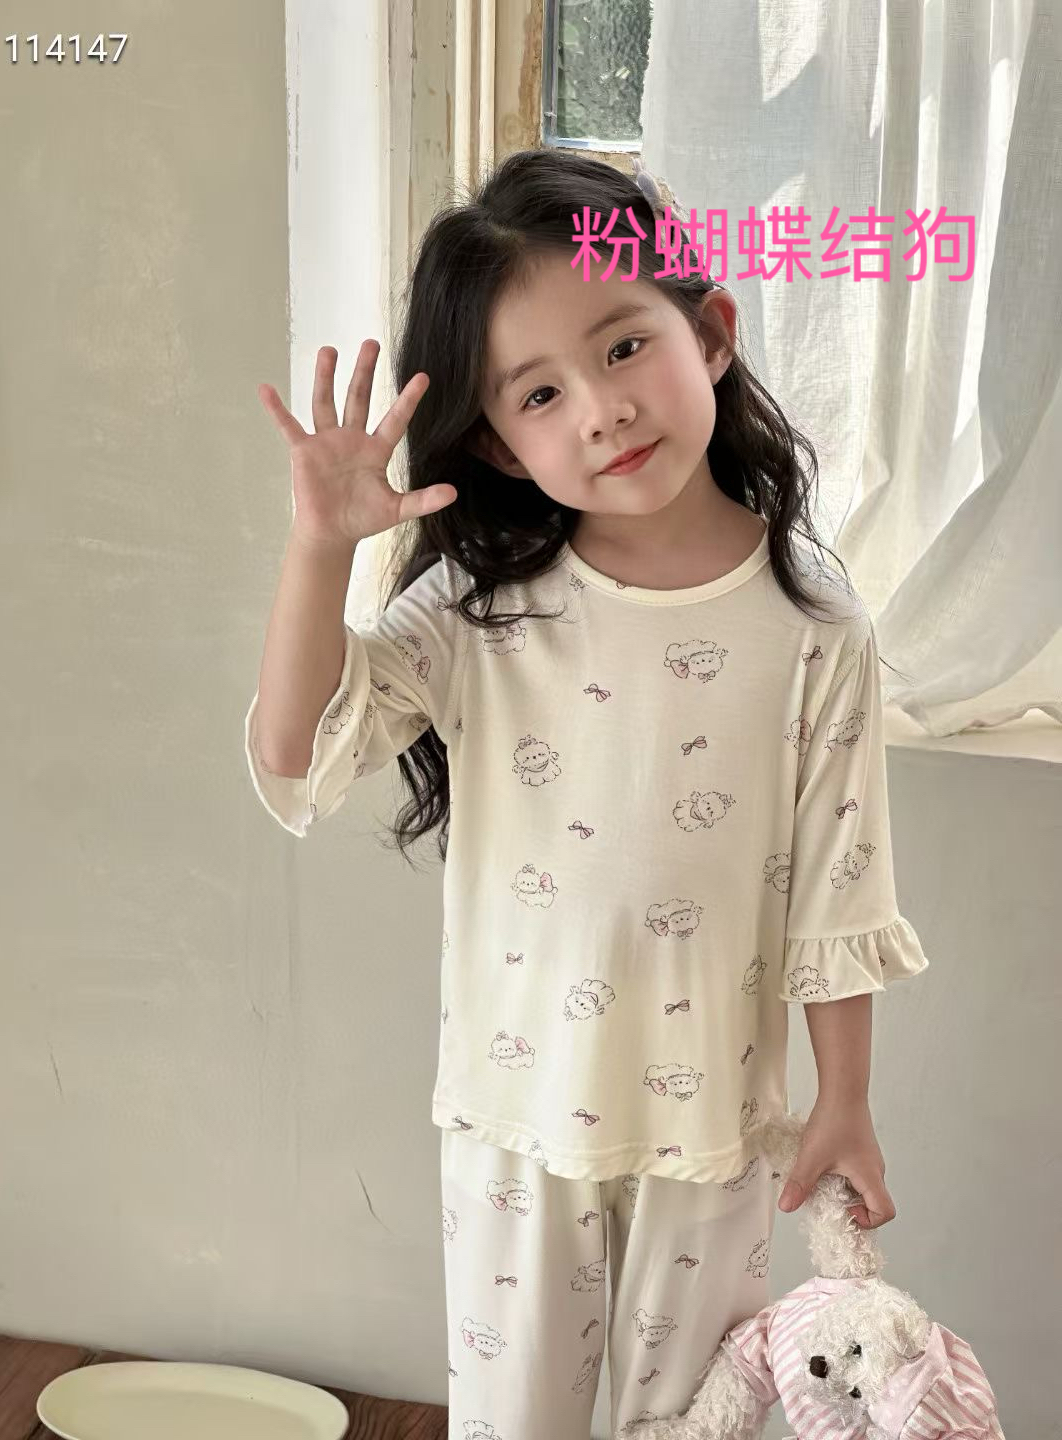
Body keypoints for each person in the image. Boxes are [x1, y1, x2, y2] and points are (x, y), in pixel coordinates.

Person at [244, 148, 931, 1440]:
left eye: (624, 348)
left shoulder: (815, 627)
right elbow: (295, 752)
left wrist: (844, 1101)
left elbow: (842, 893)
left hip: (717, 1127)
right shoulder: (480, 608)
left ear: (710, 334)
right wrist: (319, 549)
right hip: (516, 1125)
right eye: (542, 393)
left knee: (695, 1423)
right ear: (498, 444)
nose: (603, 410)